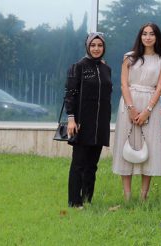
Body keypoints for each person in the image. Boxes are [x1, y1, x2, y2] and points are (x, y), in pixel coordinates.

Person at [112, 23, 161, 201]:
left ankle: (143, 196)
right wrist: (131, 108)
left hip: (150, 105)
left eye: (151, 34)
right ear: (140, 36)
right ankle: (127, 196)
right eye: (144, 34)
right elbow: (124, 84)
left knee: (150, 146)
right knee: (126, 143)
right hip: (128, 103)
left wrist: (147, 111)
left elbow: (159, 88)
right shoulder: (129, 57)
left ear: (157, 37)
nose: (148, 37)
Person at [65, 32, 112, 208]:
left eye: (100, 45)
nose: (96, 48)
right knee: (79, 164)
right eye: (93, 45)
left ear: (104, 47)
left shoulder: (106, 69)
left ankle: (87, 199)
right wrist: (71, 119)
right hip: (82, 123)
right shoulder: (78, 67)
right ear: (87, 46)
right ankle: (74, 202)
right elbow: (70, 94)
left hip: (100, 124)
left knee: (92, 165)